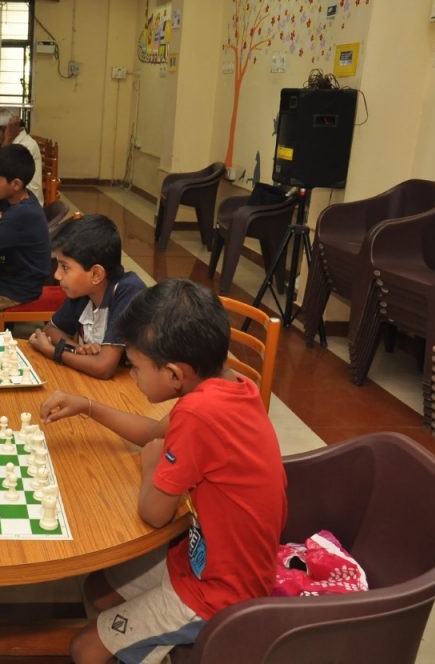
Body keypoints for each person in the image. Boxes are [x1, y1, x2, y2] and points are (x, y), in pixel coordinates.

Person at [39, 279, 287, 664]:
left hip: (220, 591)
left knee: (84, 649)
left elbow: (154, 513)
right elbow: (155, 432)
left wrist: (151, 461)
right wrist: (88, 406)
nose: (133, 377)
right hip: (206, 557)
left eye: (135, 368)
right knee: (100, 589)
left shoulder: (198, 413)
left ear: (173, 374)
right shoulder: (227, 386)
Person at [28, 215, 147, 379]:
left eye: (65, 267)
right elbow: (52, 330)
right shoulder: (85, 291)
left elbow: (103, 368)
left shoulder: (129, 291)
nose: (57, 275)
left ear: (96, 274)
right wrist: (77, 350)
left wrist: (54, 352)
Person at [0, 144, 51, 330]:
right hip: (6, 278)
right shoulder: (19, 197)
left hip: (16, 288)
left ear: (15, 184)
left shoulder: (21, 215)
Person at [0, 108, 42, 202]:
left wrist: (7, 139)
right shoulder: (14, 142)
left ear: (4, 130)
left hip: (25, 201)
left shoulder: (26, 145)